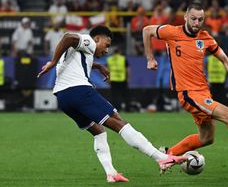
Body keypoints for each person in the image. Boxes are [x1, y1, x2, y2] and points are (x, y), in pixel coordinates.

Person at [37, 25, 186, 182]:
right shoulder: (88, 41)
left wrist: (98, 66)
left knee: (99, 131)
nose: (107, 50)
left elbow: (72, 56)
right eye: (106, 45)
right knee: (117, 120)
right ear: (97, 39)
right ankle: (161, 158)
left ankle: (111, 173)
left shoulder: (79, 52)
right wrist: (53, 62)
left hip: (63, 97)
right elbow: (68, 37)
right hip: (79, 90)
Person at [142, 3, 228, 161]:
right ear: (186, 17)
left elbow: (225, 59)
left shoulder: (205, 38)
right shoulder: (172, 32)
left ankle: (168, 155)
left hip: (203, 92)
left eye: (200, 19)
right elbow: (147, 30)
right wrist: (150, 58)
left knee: (207, 138)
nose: (196, 23)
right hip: (188, 93)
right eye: (193, 18)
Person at [106, 46, 130, 111]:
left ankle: (116, 109)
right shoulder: (123, 59)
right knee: (125, 95)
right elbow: (127, 69)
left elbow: (107, 70)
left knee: (115, 96)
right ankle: (127, 108)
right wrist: (128, 78)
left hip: (113, 80)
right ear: (120, 52)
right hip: (122, 79)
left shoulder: (109, 59)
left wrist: (108, 79)